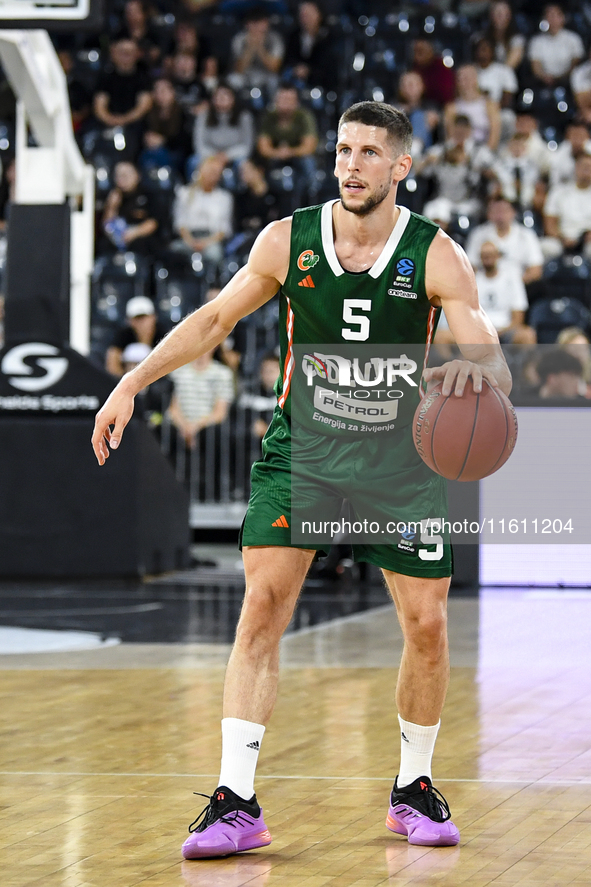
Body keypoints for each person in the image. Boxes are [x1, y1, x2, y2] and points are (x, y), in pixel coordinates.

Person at [92, 100, 511, 857]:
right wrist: (133, 382)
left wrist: (471, 373)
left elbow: (492, 364)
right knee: (262, 604)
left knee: (426, 626)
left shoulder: (437, 253)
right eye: (343, 150)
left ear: (400, 167)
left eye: (367, 153)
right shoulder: (287, 240)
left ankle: (412, 785)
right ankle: (235, 799)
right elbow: (215, 318)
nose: (349, 164)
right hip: (305, 452)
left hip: (398, 459)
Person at [466, 197, 544, 287]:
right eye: (495, 211)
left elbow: (536, 269)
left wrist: (515, 285)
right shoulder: (478, 234)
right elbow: (470, 267)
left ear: (513, 213)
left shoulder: (526, 235)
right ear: (488, 214)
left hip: (519, 285)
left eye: (504, 211)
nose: (500, 216)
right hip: (485, 286)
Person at [171, 155, 234, 262]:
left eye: (215, 173)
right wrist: (191, 242)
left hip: (211, 240)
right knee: (174, 250)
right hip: (188, 238)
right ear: (200, 170)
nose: (211, 175)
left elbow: (224, 229)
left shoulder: (224, 198)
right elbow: (180, 223)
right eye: (209, 171)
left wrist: (204, 243)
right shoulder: (184, 193)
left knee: (214, 254)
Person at [543, 151, 591, 259]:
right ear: (575, 168)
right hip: (563, 238)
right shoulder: (558, 192)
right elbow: (550, 222)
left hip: (588, 239)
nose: (586, 171)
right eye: (583, 166)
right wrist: (562, 238)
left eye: (589, 167)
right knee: (547, 247)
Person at [444, 64, 501, 151]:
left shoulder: (490, 105)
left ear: (476, 79)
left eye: (467, 78)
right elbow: (451, 137)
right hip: (460, 150)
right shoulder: (451, 108)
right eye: (460, 79)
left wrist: (485, 153)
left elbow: (494, 136)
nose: (464, 82)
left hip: (483, 149)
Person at [106, 296, 166, 377]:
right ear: (129, 321)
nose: (142, 323)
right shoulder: (123, 335)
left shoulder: (164, 334)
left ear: (153, 317)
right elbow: (112, 363)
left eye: (144, 317)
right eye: (137, 318)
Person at [528, 4, 584, 89]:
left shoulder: (573, 39)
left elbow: (576, 63)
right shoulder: (536, 41)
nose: (552, 19)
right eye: (549, 15)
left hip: (568, 82)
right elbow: (535, 65)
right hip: (542, 83)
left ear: (563, 18)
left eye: (555, 15)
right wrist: (544, 77)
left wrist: (562, 78)